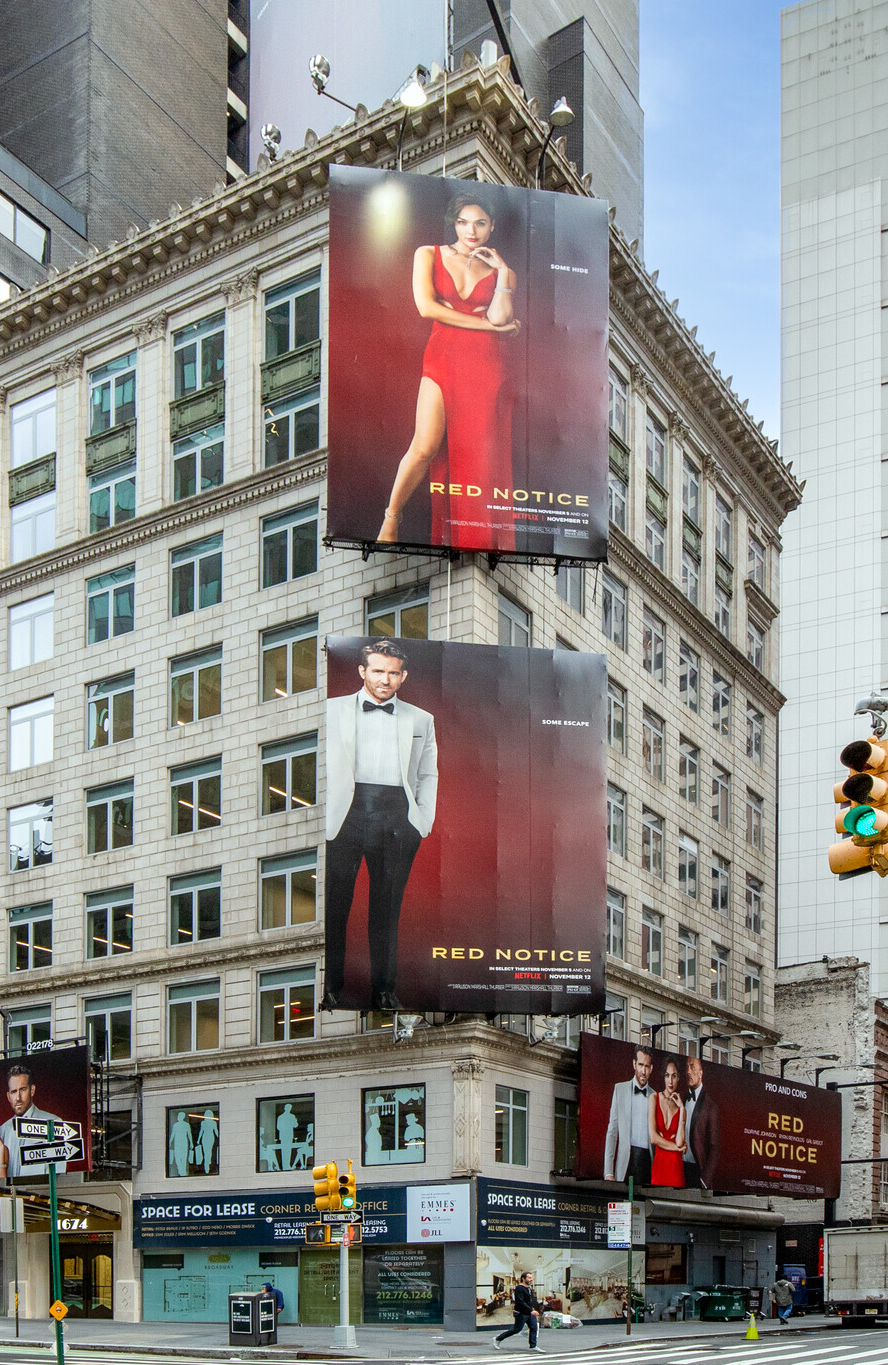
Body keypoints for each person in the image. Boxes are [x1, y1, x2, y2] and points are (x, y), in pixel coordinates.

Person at [380, 194, 521, 550]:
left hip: (485, 366)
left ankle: (475, 539)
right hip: (442, 356)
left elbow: (501, 316)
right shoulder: (427, 253)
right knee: (425, 444)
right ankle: (391, 518)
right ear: (453, 222)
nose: (470, 231)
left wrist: (503, 272)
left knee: (479, 457)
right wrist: (489, 327)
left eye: (480, 223)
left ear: (492, 227)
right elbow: (427, 308)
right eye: (463, 222)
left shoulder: (503, 272)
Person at [322, 640, 439, 1013]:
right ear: (362, 671)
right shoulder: (332, 710)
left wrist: (421, 821)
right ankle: (332, 987)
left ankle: (384, 990)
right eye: (377, 670)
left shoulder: (421, 719)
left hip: (396, 816)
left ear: (402, 676)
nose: (385, 679)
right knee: (336, 904)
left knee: (387, 910)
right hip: (347, 812)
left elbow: (427, 773)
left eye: (392, 673)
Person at [0, 1063, 64, 1178]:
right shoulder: (3, 1130)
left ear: (32, 1090)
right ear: (8, 1096)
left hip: (41, 1192)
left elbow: (59, 1172)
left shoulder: (53, 1122)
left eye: (22, 1090)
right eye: (13, 1092)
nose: (18, 1098)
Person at [602, 1047, 655, 1186]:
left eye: (647, 1066)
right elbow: (612, 1132)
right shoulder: (620, 1090)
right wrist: (608, 1172)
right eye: (640, 1065)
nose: (643, 1071)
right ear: (634, 1064)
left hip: (648, 1162)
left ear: (651, 1068)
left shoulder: (656, 1096)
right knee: (622, 1206)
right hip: (625, 1162)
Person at [681, 1053, 723, 1190]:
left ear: (700, 1073)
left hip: (697, 1171)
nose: (688, 1071)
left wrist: (704, 1180)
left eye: (692, 1067)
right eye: (686, 1067)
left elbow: (715, 1147)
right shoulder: (682, 1099)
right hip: (679, 1168)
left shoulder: (710, 1107)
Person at [650, 1057, 688, 1188]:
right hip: (659, 1165)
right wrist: (677, 1148)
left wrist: (682, 1109)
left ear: (678, 1078)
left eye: (674, 1076)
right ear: (663, 1077)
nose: (670, 1081)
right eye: (667, 1075)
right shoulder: (654, 1098)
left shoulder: (681, 1109)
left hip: (675, 1167)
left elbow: (679, 1141)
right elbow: (653, 1138)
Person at [492, 1273, 544, 1351]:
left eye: (531, 1278)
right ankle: (497, 1339)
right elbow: (520, 1302)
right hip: (521, 1313)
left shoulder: (528, 1288)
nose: (531, 1279)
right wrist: (531, 1310)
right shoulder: (519, 1288)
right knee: (516, 1329)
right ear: (523, 1278)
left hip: (529, 1313)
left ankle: (533, 1345)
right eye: (529, 1278)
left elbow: (529, 1300)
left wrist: (534, 1309)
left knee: (534, 1328)